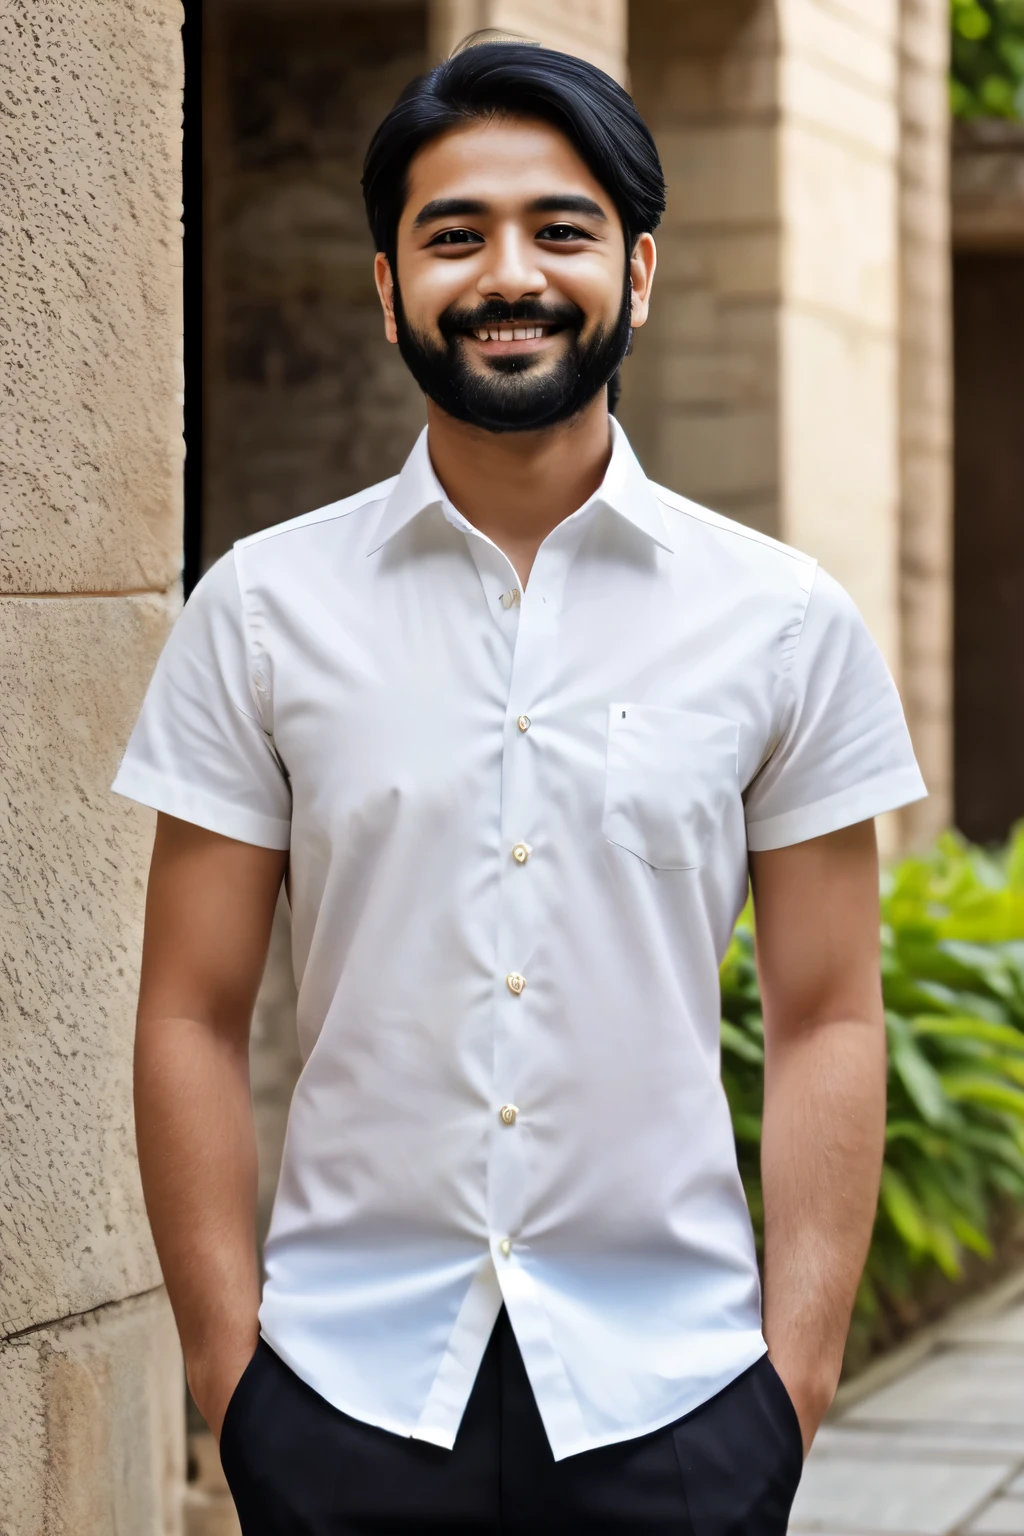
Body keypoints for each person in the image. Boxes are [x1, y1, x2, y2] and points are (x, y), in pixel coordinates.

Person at [115, 38, 927, 1535]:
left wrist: (790, 1387)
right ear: (385, 286)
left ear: (640, 268)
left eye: (561, 229)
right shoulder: (260, 610)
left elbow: (829, 1014)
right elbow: (188, 1009)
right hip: (342, 1403)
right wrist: (236, 1387)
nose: (510, 275)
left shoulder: (786, 621)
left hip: (679, 1407)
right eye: (454, 234)